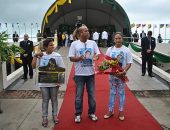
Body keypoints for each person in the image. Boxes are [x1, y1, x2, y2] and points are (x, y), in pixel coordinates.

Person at [68, 24, 100, 123]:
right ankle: (78, 114)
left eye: (88, 31)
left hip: (90, 74)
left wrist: (96, 57)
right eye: (86, 31)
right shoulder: (74, 44)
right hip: (79, 75)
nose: (88, 32)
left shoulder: (93, 43)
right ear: (80, 33)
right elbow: (71, 58)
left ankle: (92, 113)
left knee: (92, 95)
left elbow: (97, 54)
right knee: (78, 96)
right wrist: (79, 58)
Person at [32, 38, 65, 127]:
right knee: (45, 100)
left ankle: (55, 115)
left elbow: (61, 68)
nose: (53, 46)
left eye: (53, 44)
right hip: (43, 83)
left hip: (54, 83)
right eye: (50, 45)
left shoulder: (57, 55)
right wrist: (35, 56)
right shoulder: (41, 55)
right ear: (45, 47)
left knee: (54, 99)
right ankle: (45, 117)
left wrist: (60, 82)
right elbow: (33, 66)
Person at [104, 32, 133, 121]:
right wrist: (104, 67)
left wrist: (123, 71)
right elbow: (106, 61)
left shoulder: (126, 50)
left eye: (119, 38)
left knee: (121, 93)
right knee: (112, 93)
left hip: (121, 76)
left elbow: (129, 63)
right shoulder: (110, 49)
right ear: (114, 39)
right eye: (116, 38)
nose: (118, 40)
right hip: (112, 76)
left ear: (122, 39)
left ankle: (121, 111)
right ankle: (110, 110)